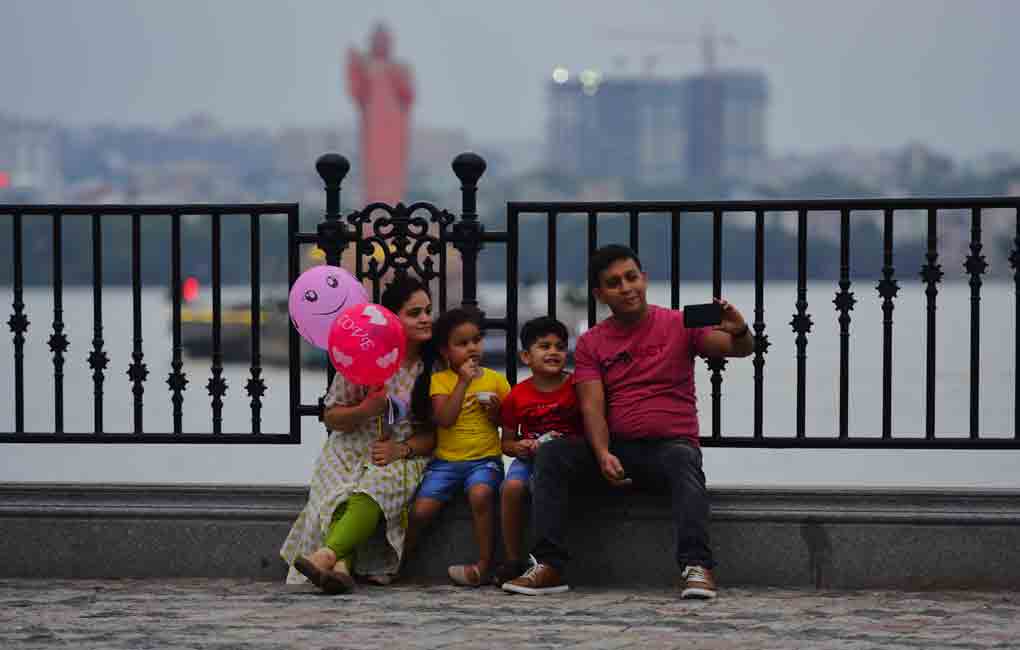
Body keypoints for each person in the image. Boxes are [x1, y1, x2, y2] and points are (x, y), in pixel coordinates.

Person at [503, 244, 754, 599]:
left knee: (684, 459)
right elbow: (591, 405)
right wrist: (603, 453)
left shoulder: (679, 324)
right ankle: (548, 566)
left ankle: (698, 567)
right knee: (552, 453)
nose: (626, 287)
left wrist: (740, 328)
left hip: (669, 447)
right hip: (617, 450)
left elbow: (741, 349)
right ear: (599, 293)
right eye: (614, 282)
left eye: (632, 277)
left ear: (645, 279)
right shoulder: (592, 342)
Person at [280, 275, 436, 594]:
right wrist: (366, 410)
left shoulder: (433, 368)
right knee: (339, 494)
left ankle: (326, 556)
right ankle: (340, 569)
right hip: (348, 448)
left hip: (399, 454)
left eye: (427, 311)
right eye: (414, 312)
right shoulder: (363, 355)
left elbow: (435, 437)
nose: (425, 319)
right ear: (392, 318)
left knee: (373, 486)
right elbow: (332, 416)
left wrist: (400, 450)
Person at [404, 307, 511, 587]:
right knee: (420, 511)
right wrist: (463, 382)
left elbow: (509, 425)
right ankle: (398, 560)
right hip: (446, 463)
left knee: (481, 495)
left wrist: (496, 413)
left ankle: (485, 564)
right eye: (462, 344)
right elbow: (444, 420)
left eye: (476, 340)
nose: (472, 348)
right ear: (445, 351)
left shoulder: (496, 381)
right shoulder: (440, 381)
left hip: (485, 459)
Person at [495, 316, 583, 586]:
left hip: (561, 459)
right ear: (526, 356)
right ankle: (512, 559)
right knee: (510, 488)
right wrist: (519, 446)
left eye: (559, 346)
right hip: (529, 457)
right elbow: (505, 443)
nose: (553, 352)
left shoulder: (576, 388)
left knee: (542, 488)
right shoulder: (517, 396)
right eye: (544, 346)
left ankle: (542, 559)